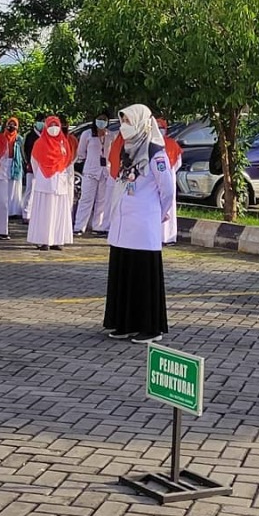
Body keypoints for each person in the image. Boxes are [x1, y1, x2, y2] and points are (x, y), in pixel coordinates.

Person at [104, 105, 175, 343]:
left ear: (142, 123)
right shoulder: (128, 149)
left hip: (144, 221)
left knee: (143, 274)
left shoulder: (156, 153)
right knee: (124, 270)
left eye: (128, 121)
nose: (124, 126)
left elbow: (167, 190)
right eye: (122, 121)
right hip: (124, 221)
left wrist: (159, 213)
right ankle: (125, 322)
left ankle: (150, 327)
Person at [28, 115, 76, 250]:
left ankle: (56, 239)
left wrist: (60, 172)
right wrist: (44, 173)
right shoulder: (39, 143)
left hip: (60, 181)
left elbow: (67, 160)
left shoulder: (63, 142)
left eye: (56, 125)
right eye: (51, 125)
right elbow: (35, 162)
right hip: (45, 181)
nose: (53, 129)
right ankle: (43, 240)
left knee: (58, 211)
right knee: (45, 212)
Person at [75, 112, 114, 236]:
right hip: (91, 170)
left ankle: (98, 226)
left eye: (104, 119)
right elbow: (81, 152)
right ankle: (79, 226)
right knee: (86, 199)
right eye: (100, 119)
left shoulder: (111, 135)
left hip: (105, 171)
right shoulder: (87, 134)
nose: (102, 121)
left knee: (102, 200)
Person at [156, 117, 182, 245]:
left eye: (162, 127)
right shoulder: (151, 144)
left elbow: (178, 162)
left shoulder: (172, 143)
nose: (160, 130)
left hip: (169, 175)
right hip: (159, 178)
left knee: (169, 206)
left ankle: (169, 237)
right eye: (158, 127)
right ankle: (160, 236)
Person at [22, 116, 45, 221]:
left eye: (44, 122)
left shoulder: (46, 135)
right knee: (29, 190)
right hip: (31, 166)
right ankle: (26, 214)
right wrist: (27, 162)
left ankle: (36, 213)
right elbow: (24, 149)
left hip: (44, 168)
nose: (42, 124)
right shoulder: (29, 135)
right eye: (41, 121)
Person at [6, 117, 25, 219]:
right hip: (4, 164)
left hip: (16, 164)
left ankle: (15, 211)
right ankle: (6, 210)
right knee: (6, 188)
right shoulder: (2, 137)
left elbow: (23, 153)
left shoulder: (19, 139)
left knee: (15, 187)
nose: (12, 126)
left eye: (14, 124)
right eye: (10, 124)